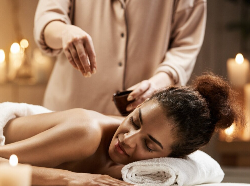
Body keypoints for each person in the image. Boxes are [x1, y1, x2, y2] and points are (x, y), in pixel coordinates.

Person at [0, 74, 242, 186]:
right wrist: (69, 178)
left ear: (170, 157)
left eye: (149, 145)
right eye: (135, 121)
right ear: (137, 107)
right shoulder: (86, 133)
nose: (127, 139)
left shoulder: (140, 169)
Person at [34, 0, 207, 115]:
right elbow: (48, 18)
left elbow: (185, 46)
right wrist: (65, 32)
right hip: (67, 113)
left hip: (140, 125)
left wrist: (158, 84)